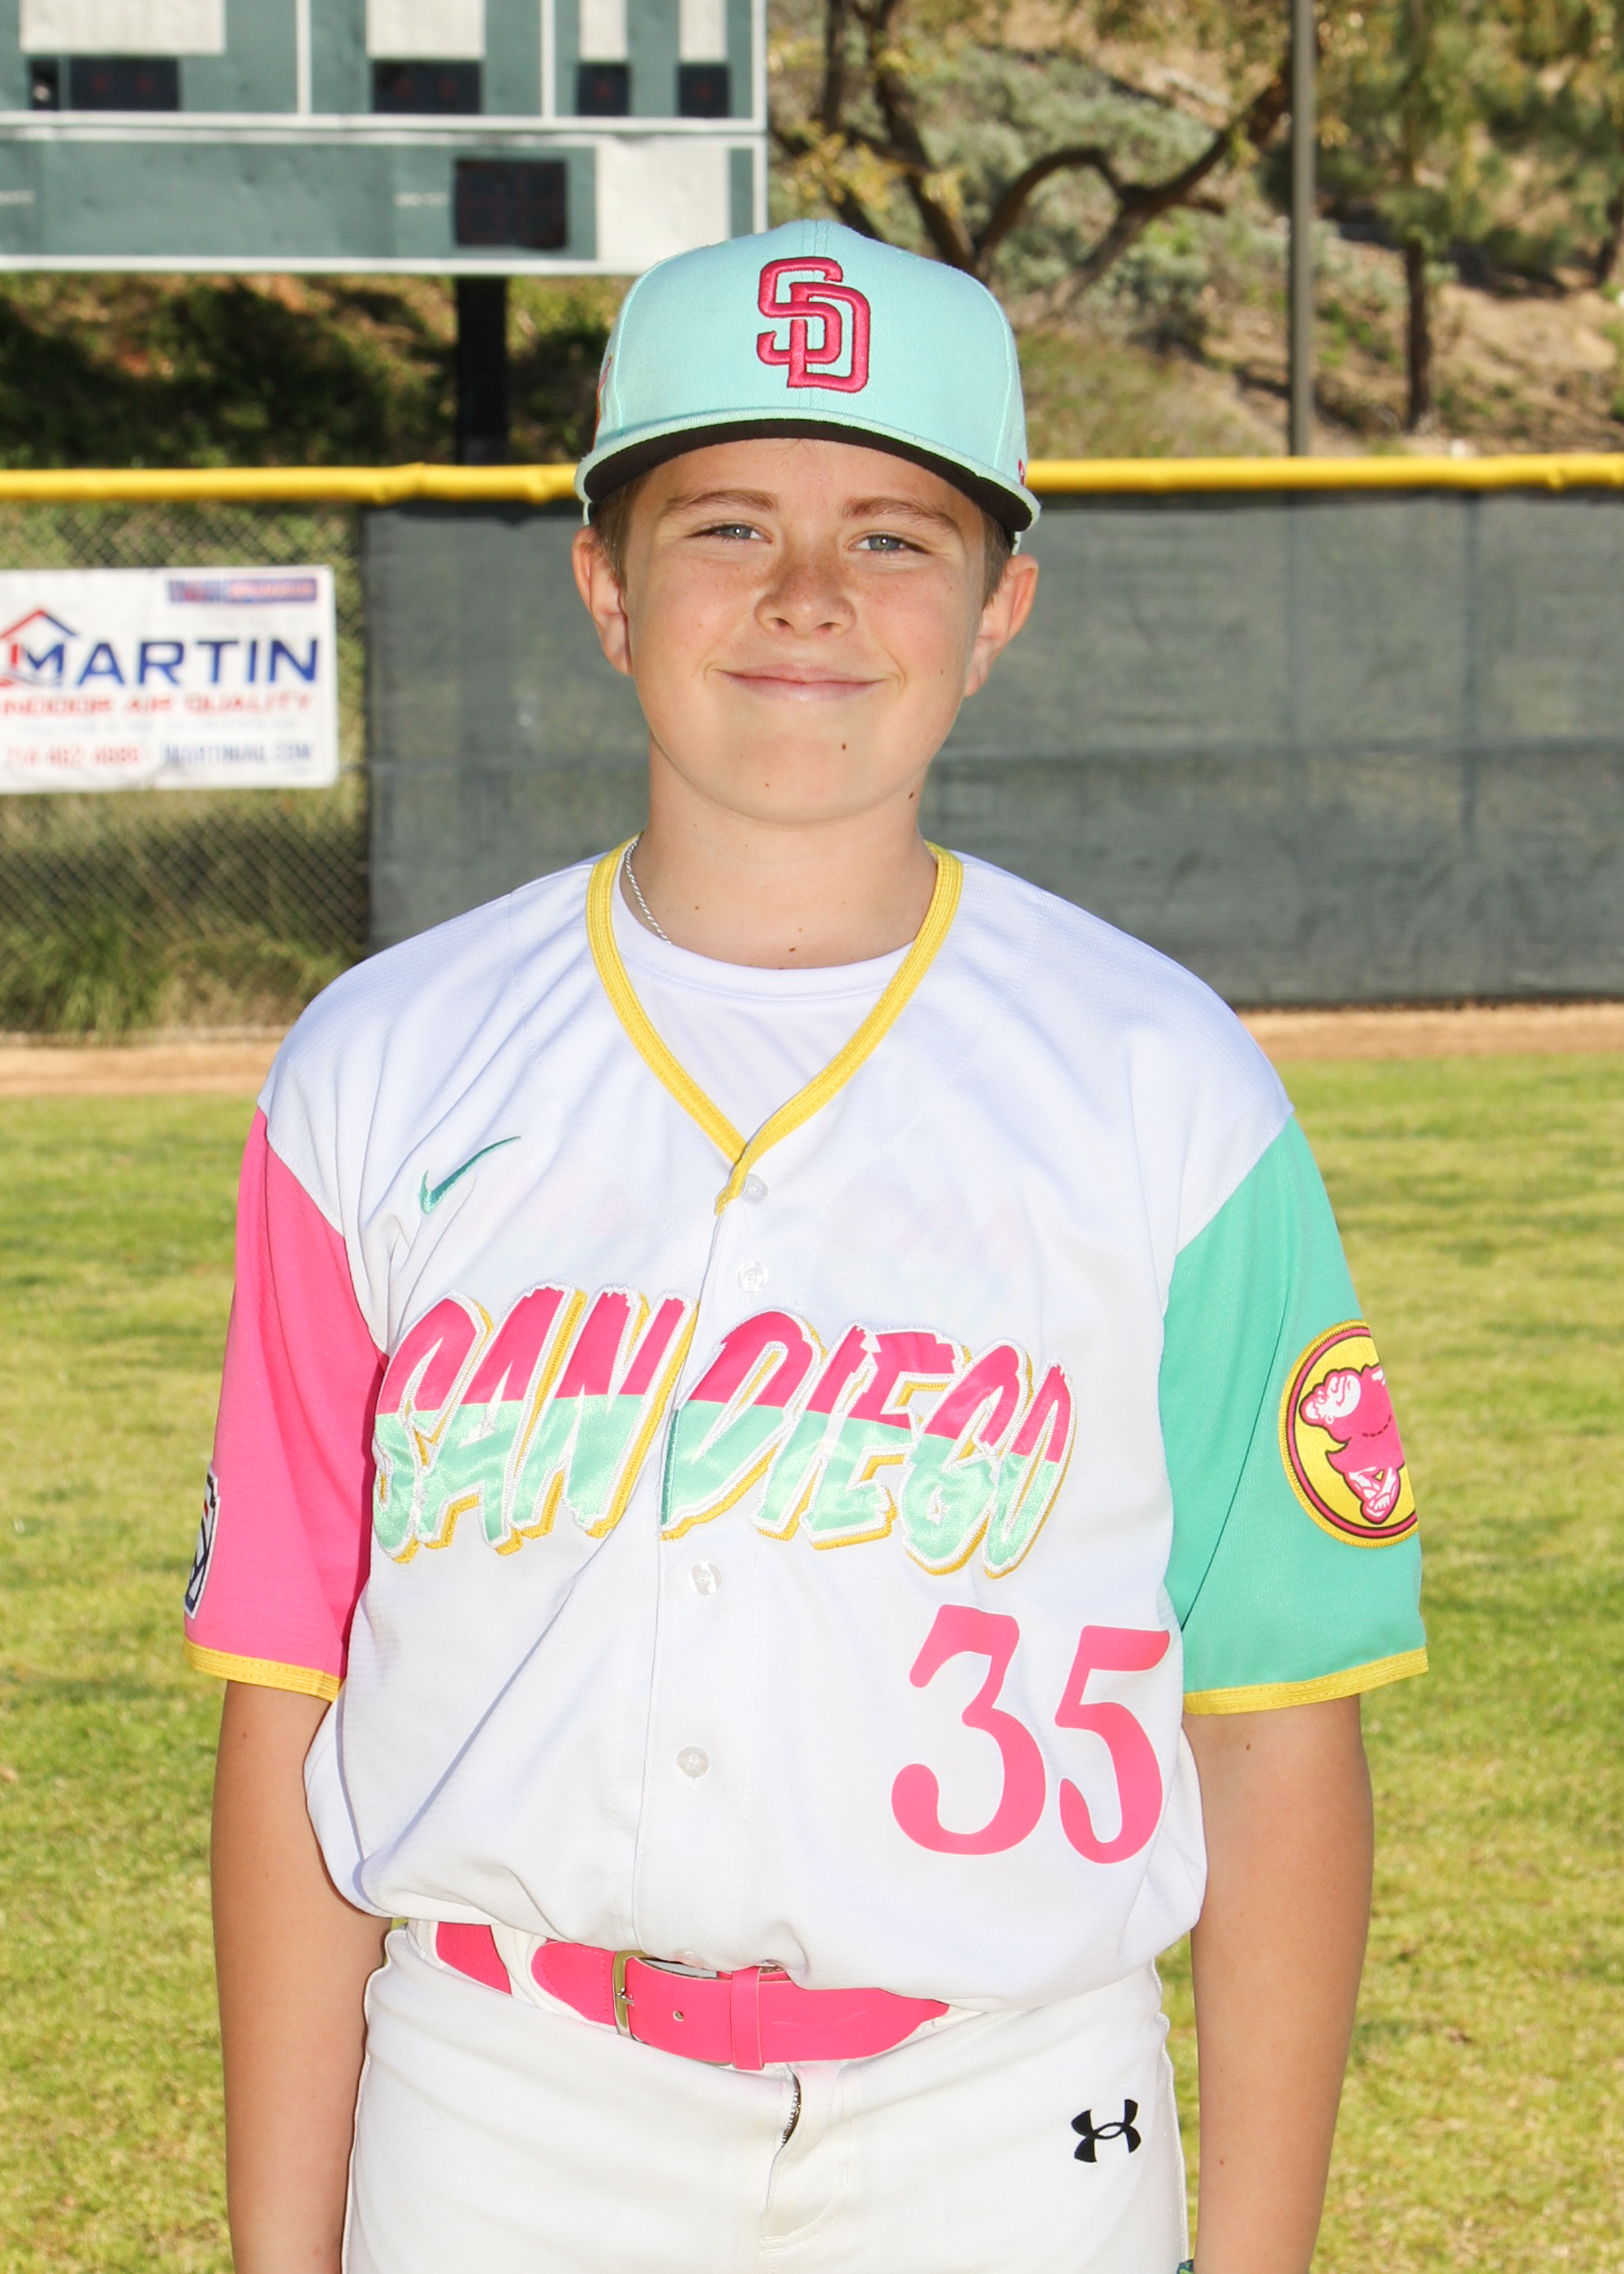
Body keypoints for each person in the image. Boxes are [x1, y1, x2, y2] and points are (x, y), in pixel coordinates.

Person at [188, 219, 1425, 2274]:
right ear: (604, 582)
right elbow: (286, 1698)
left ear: (999, 603)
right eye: (726, 522)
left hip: (1010, 2108)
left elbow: (1276, 1712)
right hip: (501, 2096)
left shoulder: (1164, 1085)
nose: (806, 596)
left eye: (894, 537)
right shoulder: (377, 1068)